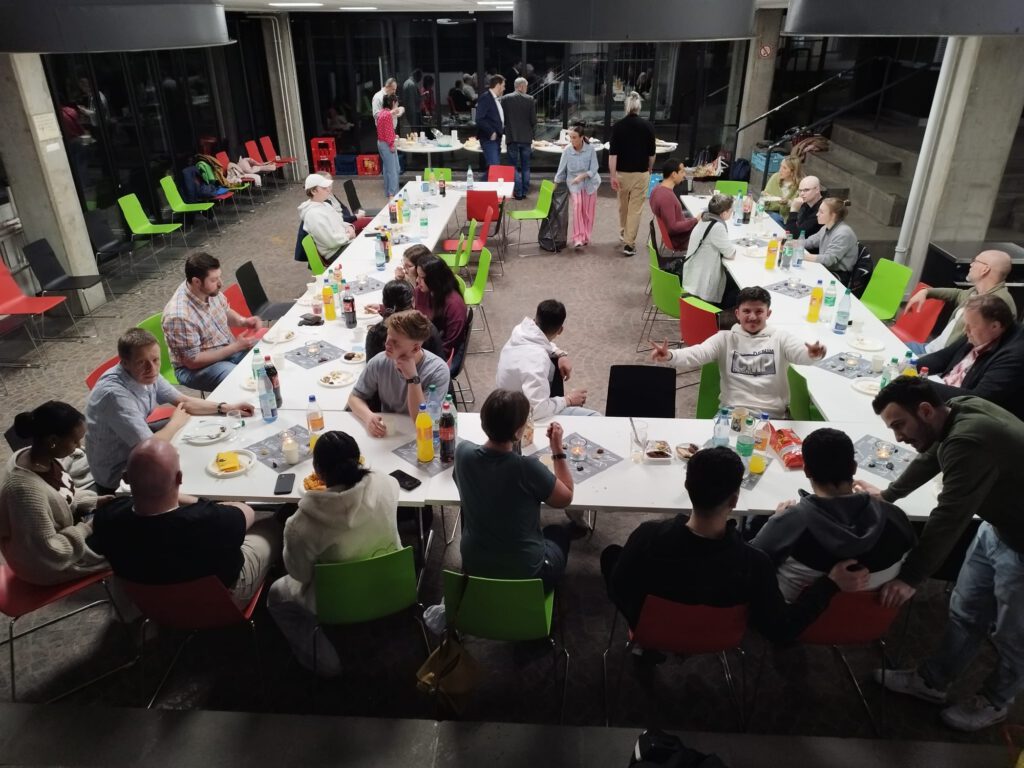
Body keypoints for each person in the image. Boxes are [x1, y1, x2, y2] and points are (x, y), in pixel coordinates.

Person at [855, 378, 1024, 731]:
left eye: (900, 425)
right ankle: (932, 681)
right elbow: (931, 455)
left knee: (1013, 637)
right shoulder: (956, 411)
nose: (898, 437)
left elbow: (949, 517)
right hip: (998, 529)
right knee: (966, 611)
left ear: (925, 410)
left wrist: (911, 577)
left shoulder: (970, 440)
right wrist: (889, 495)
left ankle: (995, 702)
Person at [601, 447, 868, 638]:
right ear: (734, 500)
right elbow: (783, 630)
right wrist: (829, 585)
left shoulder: (648, 535)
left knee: (612, 554)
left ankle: (645, 642)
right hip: (720, 636)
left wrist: (639, 619)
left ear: (687, 487)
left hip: (653, 630)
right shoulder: (755, 563)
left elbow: (619, 586)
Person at [267, 431, 401, 677]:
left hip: (337, 601)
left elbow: (299, 574)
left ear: (317, 472)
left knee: (275, 594)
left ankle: (325, 661)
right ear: (359, 460)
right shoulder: (386, 484)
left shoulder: (301, 524)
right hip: (391, 583)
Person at [90, 439, 282, 608]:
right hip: (221, 601)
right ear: (179, 478)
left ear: (126, 478)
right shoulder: (208, 520)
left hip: (149, 603)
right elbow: (246, 511)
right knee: (274, 524)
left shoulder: (106, 517)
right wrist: (194, 500)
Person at [752, 428, 916, 602]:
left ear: (806, 470)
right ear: (854, 467)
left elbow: (749, 563)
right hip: (871, 615)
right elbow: (914, 556)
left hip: (796, 613)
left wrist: (775, 520)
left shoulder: (791, 522)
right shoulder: (894, 516)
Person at [85, 328, 254, 495]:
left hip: (139, 442)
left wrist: (225, 407)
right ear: (125, 363)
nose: (152, 368)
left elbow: (183, 402)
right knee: (190, 463)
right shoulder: (114, 396)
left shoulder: (145, 373)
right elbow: (149, 447)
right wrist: (175, 422)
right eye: (141, 362)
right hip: (119, 475)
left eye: (156, 360)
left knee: (200, 431)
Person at [455, 389, 577, 592]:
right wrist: (557, 450)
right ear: (519, 431)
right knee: (557, 532)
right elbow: (566, 497)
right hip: (527, 574)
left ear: (483, 421)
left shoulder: (462, 453)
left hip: (474, 565)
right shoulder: (527, 468)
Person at [650, 286, 827, 418]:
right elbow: (698, 353)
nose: (752, 317)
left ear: (768, 313)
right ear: (737, 313)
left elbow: (800, 354)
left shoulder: (781, 338)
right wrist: (671, 355)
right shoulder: (725, 338)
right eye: (746, 311)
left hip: (773, 416)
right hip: (731, 414)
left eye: (759, 311)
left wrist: (813, 354)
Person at [0, 402, 108, 586]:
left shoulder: (41, 458)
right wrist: (87, 528)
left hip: (63, 533)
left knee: (116, 510)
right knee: (126, 537)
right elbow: (51, 551)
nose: (79, 446)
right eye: (74, 441)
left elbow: (62, 497)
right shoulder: (25, 492)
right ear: (52, 441)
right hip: (46, 564)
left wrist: (94, 502)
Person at [162, 251, 263, 392]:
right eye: (214, 280)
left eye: (219, 277)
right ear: (196, 282)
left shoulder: (207, 289)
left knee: (267, 354)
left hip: (227, 349)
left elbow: (225, 311)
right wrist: (235, 347)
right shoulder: (178, 316)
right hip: (195, 368)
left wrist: (243, 321)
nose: (220, 283)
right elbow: (193, 361)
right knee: (239, 378)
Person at [914, 295, 1024, 418]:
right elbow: (942, 357)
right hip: (943, 394)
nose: (965, 330)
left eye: (970, 326)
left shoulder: (1014, 355)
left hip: (965, 414)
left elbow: (978, 400)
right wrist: (909, 367)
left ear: (995, 326)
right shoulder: (981, 332)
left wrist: (920, 385)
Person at [347, 310, 451, 437]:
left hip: (422, 436)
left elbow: (422, 422)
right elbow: (354, 397)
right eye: (388, 336)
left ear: (415, 348)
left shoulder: (438, 371)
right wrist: (369, 417)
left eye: (395, 342)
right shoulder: (379, 362)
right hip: (390, 433)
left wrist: (413, 378)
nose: (387, 344)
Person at [496, 299, 597, 419]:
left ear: (535, 319)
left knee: (553, 365)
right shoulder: (537, 359)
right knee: (595, 416)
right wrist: (568, 399)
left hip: (506, 401)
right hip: (519, 416)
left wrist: (561, 354)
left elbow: (540, 341)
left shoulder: (521, 330)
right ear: (560, 330)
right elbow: (537, 410)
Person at [903, 249, 1016, 355]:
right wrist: (927, 292)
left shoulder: (996, 304)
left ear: (985, 269)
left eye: (975, 261)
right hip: (930, 349)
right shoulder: (977, 292)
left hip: (939, 359)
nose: (971, 265)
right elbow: (958, 294)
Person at [608, 91, 655, 257]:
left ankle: (623, 231)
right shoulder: (648, 126)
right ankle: (629, 244)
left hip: (622, 174)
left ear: (626, 107)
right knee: (635, 209)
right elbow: (652, 154)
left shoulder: (618, 126)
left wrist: (612, 175)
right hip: (641, 173)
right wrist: (650, 168)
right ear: (639, 107)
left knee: (623, 206)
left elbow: (613, 155)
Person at [365, 279, 444, 362]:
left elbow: (370, 366)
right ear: (413, 302)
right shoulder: (427, 329)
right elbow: (440, 363)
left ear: (384, 303)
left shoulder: (374, 334)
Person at [681, 193, 738, 306]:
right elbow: (730, 253)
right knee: (736, 290)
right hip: (702, 284)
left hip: (693, 274)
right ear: (724, 213)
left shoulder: (705, 218)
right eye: (731, 210)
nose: (732, 213)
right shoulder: (717, 226)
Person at [413, 254, 468, 365]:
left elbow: (450, 344)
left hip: (444, 353)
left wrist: (420, 357)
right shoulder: (421, 291)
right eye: (417, 276)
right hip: (425, 344)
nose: (417, 281)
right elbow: (411, 315)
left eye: (422, 277)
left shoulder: (455, 306)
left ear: (434, 279)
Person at [554, 123, 601, 251]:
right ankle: (578, 238)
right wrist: (555, 184)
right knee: (577, 206)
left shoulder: (590, 149)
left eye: (574, 137)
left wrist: (582, 176)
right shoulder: (567, 151)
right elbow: (561, 170)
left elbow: (594, 169)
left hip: (590, 183)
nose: (572, 140)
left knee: (588, 212)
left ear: (581, 137)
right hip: (574, 183)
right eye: (570, 137)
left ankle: (586, 237)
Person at [298, 174, 357, 264]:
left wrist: (349, 227)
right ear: (313, 191)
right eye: (324, 188)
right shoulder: (313, 214)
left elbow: (340, 222)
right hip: (335, 252)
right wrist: (348, 236)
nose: (328, 190)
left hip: (343, 244)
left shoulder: (325, 205)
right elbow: (331, 242)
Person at [648, 157, 698, 259]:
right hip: (680, 239)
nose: (684, 175)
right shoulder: (667, 198)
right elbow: (673, 227)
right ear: (674, 174)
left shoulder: (656, 190)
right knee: (712, 232)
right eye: (682, 172)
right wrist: (695, 220)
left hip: (674, 236)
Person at [801, 198, 859, 285]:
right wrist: (788, 242)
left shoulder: (843, 233)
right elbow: (810, 242)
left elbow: (829, 259)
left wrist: (801, 256)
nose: (817, 214)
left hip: (837, 276)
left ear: (833, 215)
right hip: (826, 269)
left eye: (821, 212)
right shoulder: (826, 227)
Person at [499, 77, 537, 200]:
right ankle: (524, 192)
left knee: (513, 167)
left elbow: (502, 118)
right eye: (526, 87)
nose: (526, 89)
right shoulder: (530, 99)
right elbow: (533, 120)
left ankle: (518, 192)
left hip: (512, 138)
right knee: (526, 166)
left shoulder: (505, 99)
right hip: (526, 138)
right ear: (521, 86)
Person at [475, 74, 506, 171]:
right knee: (495, 167)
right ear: (498, 85)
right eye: (503, 86)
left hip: (496, 139)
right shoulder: (486, 97)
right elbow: (479, 118)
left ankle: (484, 181)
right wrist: (491, 132)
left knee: (493, 169)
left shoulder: (495, 98)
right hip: (489, 139)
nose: (504, 89)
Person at [762, 155, 803, 225]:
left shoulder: (801, 185)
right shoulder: (775, 177)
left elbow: (801, 207)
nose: (780, 170)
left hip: (788, 219)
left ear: (793, 171)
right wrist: (766, 196)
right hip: (770, 212)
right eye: (780, 166)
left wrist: (788, 202)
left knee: (774, 218)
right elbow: (764, 198)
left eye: (784, 168)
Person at [376, 93, 401, 199]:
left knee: (388, 169)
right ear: (393, 103)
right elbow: (388, 132)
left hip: (381, 143)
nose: (397, 106)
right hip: (387, 144)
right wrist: (392, 144)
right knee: (393, 171)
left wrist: (394, 137)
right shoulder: (387, 115)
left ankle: (389, 192)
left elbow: (385, 130)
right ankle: (393, 195)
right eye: (396, 103)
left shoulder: (381, 113)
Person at [400, 69, 422, 134]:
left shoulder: (406, 82)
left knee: (413, 129)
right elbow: (414, 100)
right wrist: (422, 97)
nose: (420, 80)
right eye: (420, 78)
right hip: (413, 112)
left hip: (409, 110)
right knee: (416, 131)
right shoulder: (412, 84)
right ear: (417, 76)